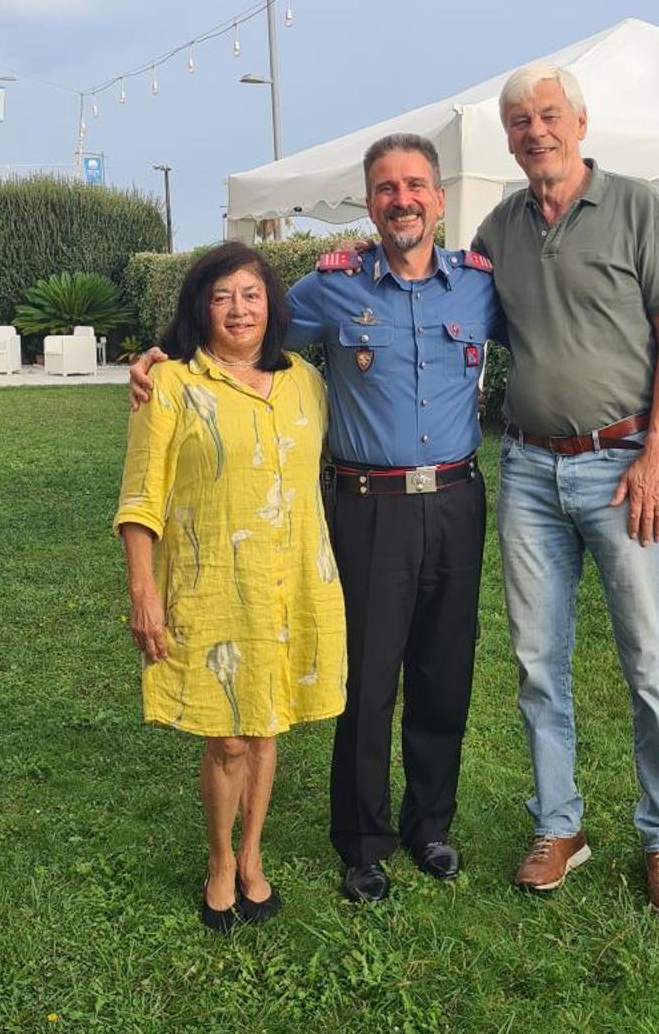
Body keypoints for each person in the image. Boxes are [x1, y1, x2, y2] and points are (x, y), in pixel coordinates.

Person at [131, 136, 502, 904]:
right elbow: (238, 331)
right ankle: (362, 842)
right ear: (368, 203)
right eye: (385, 188)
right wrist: (155, 357)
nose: (401, 199)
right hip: (368, 507)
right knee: (365, 679)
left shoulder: (478, 287)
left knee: (443, 673)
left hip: (460, 499)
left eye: (415, 186)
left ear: (438, 199)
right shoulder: (328, 291)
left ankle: (428, 825)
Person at [474, 61, 659, 913]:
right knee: (537, 663)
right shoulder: (498, 230)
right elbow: (437, 300)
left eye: (547, 115)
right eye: (519, 122)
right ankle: (557, 824)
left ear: (578, 120)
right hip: (529, 471)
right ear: (508, 137)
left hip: (624, 469)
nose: (535, 131)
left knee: (649, 661)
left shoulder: (638, 207)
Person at [115, 242, 346, 930]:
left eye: (250, 293)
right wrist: (142, 593)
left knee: (268, 721)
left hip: (295, 577)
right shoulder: (172, 386)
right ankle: (219, 861)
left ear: (271, 304)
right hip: (218, 580)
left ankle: (252, 858)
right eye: (222, 296)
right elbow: (140, 497)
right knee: (230, 738)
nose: (238, 309)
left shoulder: (306, 379)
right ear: (200, 308)